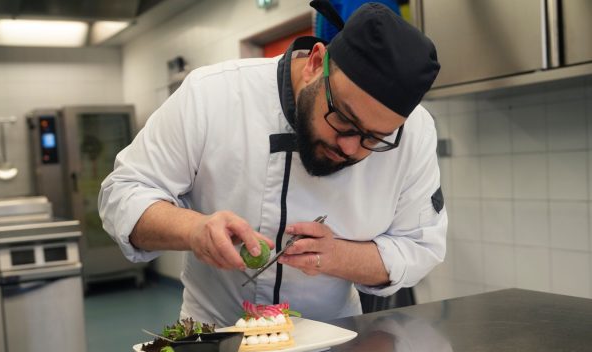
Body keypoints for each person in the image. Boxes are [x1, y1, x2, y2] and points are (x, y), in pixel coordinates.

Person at [99, 2, 447, 327]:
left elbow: (419, 247)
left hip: (335, 340)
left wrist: (335, 255)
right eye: (343, 120)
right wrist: (194, 229)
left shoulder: (415, 133)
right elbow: (123, 194)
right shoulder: (213, 93)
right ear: (314, 63)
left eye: (374, 138)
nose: (350, 147)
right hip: (216, 337)